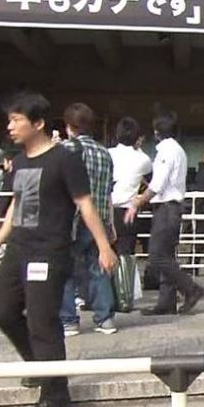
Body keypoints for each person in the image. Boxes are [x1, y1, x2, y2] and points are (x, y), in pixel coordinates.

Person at [0, 91, 117, 407]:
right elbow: (17, 204)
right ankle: (39, 365)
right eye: (9, 120)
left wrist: (104, 246)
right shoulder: (19, 161)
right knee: (4, 312)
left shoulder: (64, 158)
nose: (10, 126)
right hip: (18, 248)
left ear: (38, 123)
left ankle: (56, 395)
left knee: (42, 321)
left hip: (49, 251)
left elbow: (85, 203)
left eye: (16, 120)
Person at [125, 111, 204, 316]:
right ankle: (166, 301)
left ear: (156, 132)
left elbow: (158, 183)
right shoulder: (178, 150)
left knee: (157, 256)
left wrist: (140, 200)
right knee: (166, 255)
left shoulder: (166, 151)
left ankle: (191, 288)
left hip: (167, 208)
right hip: (172, 207)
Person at [59, 103, 118, 336]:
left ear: (68, 126)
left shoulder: (64, 150)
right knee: (100, 266)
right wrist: (111, 223)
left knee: (65, 269)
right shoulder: (105, 153)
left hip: (72, 218)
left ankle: (68, 320)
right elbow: (108, 191)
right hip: (100, 218)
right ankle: (105, 318)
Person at [108, 117, 152, 257]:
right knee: (126, 259)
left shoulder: (107, 153)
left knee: (103, 256)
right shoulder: (143, 159)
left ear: (117, 134)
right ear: (137, 138)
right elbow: (152, 183)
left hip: (105, 210)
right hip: (128, 211)